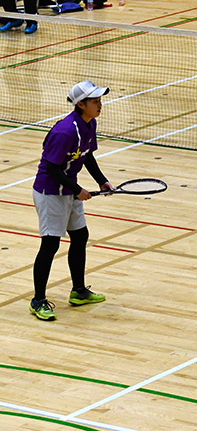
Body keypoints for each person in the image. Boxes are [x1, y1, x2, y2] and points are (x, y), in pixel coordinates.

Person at [29, 80, 114, 321]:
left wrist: (102, 181)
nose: (100, 105)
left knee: (80, 236)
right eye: (95, 101)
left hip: (68, 188)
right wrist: (77, 189)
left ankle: (78, 291)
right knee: (50, 245)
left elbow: (87, 157)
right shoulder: (65, 131)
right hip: (50, 192)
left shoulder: (89, 124)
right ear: (80, 104)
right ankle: (38, 300)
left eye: (99, 100)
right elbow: (53, 168)